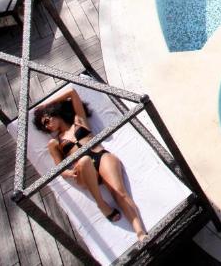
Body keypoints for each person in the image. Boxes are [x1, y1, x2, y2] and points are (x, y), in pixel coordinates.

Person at [33, 88, 147, 240]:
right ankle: (101, 204)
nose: (47, 126)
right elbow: (60, 169)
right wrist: (67, 173)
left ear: (55, 113)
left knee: (119, 192)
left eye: (47, 121)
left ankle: (140, 233)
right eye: (44, 127)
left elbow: (72, 93)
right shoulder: (55, 143)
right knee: (84, 160)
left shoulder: (79, 121)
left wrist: (46, 106)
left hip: (101, 156)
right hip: (84, 170)